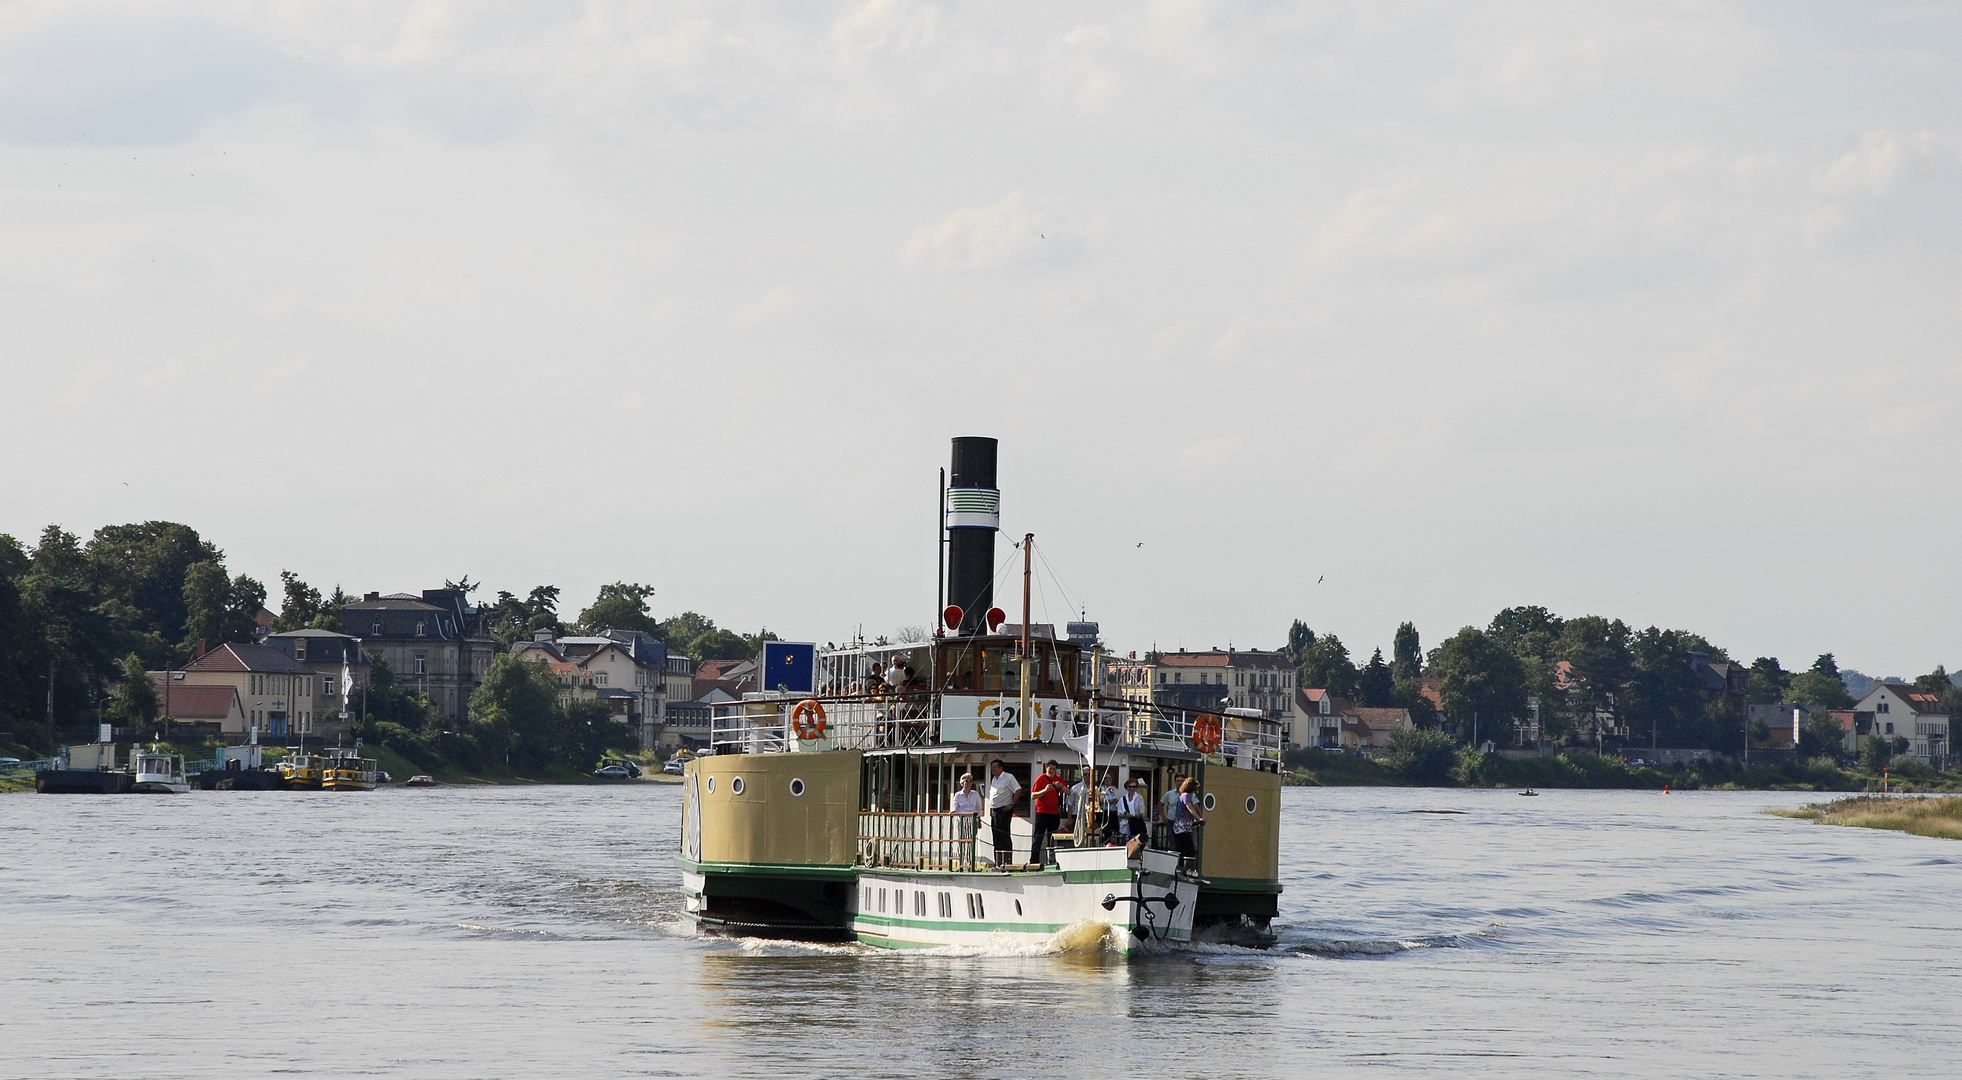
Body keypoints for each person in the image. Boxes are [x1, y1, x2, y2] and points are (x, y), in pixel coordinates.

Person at [1028, 760, 1067, 866]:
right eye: (1050, 769)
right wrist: (1045, 790)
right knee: (1038, 838)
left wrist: (1061, 786)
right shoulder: (1041, 779)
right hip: (1042, 812)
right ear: (1046, 768)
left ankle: (1052, 861)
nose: (1052, 771)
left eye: (1054, 769)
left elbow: (1068, 791)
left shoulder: (1058, 778)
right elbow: (1033, 796)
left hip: (1054, 813)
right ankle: (1034, 861)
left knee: (1052, 838)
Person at [986, 760, 1020, 867]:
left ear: (1001, 768)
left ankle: (1007, 862)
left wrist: (1012, 804)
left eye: (995, 767)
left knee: (1004, 836)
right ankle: (998, 863)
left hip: (1004, 810)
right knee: (996, 837)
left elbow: (1018, 790)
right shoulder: (994, 779)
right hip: (995, 811)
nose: (993, 769)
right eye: (992, 767)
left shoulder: (1008, 778)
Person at [1171, 777, 1205, 865]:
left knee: (1184, 850)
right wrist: (1199, 818)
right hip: (1181, 829)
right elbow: (1190, 808)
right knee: (1189, 850)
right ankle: (1184, 869)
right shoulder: (1185, 796)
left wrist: (1198, 820)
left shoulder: (1189, 796)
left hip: (1185, 827)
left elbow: (1195, 808)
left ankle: (1183, 867)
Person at [1119, 778, 1147, 843]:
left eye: (1134, 787)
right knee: (1124, 842)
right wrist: (1124, 815)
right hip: (1125, 825)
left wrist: (1131, 815)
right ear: (1127, 788)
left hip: (1136, 825)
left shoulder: (1139, 798)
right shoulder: (1122, 799)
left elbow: (1142, 812)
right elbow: (1118, 812)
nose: (1132, 788)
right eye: (1130, 787)